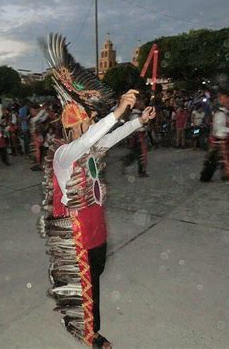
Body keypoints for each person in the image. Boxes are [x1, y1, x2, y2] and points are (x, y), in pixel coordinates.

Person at [38, 33, 155, 348]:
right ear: (73, 129)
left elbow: (108, 139)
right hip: (76, 228)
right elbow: (90, 140)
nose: (90, 129)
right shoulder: (65, 154)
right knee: (87, 281)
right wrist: (116, 112)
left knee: (96, 273)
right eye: (85, 125)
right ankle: (88, 331)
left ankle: (76, 311)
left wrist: (137, 120)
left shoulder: (88, 149)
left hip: (96, 222)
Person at [200, 86, 229, 185]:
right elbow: (219, 128)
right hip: (221, 140)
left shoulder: (222, 114)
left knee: (213, 160)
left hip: (219, 139)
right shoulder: (220, 114)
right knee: (228, 160)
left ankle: (206, 177)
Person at [123, 98, 151, 177]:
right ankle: (141, 171)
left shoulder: (137, 114)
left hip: (139, 135)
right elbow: (135, 127)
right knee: (142, 154)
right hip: (138, 135)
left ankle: (140, 170)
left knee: (138, 153)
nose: (142, 104)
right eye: (141, 102)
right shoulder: (135, 115)